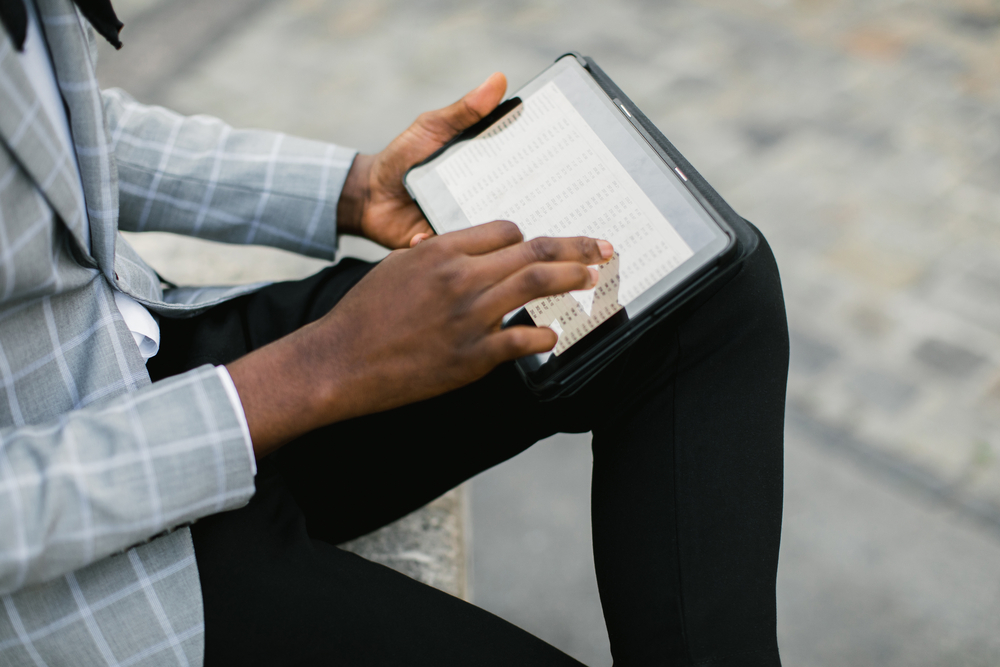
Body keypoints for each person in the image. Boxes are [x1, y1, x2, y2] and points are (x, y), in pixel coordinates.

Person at [0, 0, 789, 664]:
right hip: (79, 568)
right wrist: (321, 367)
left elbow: (59, 121)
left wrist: (355, 188)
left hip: (154, 353)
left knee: (704, 293)